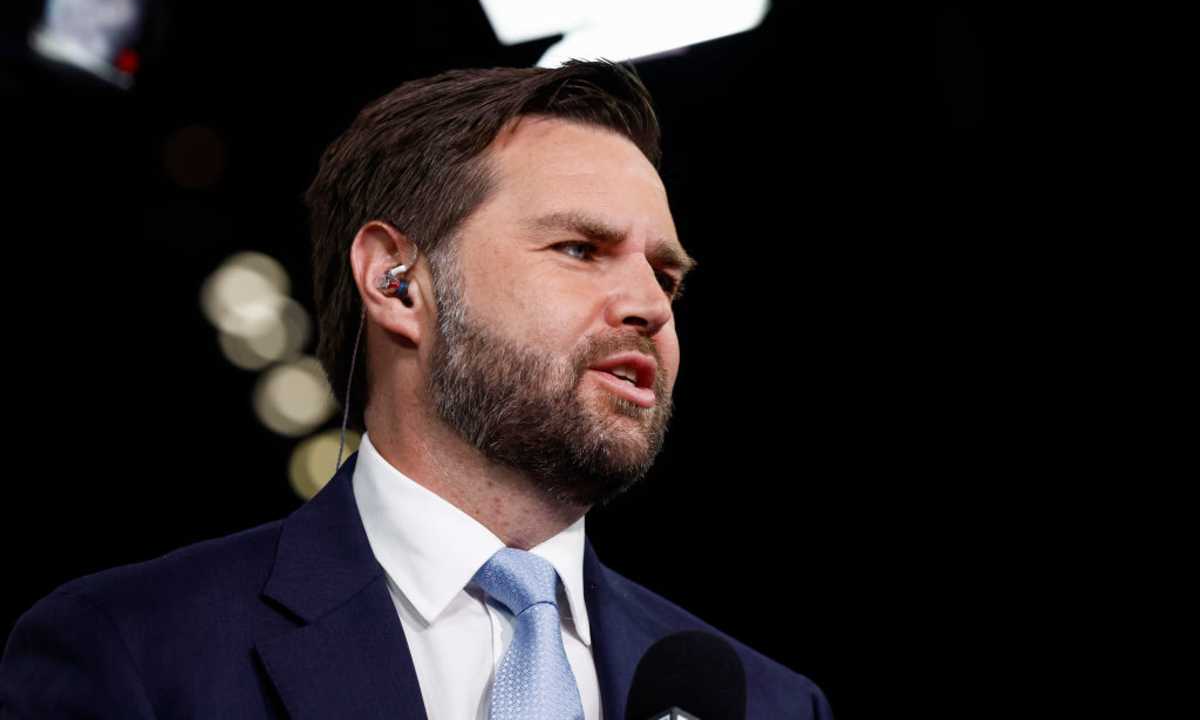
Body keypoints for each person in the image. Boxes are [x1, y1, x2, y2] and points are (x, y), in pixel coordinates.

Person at [0, 60, 832, 719]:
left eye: (667, 277)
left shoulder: (773, 706)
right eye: (581, 249)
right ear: (397, 283)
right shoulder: (134, 652)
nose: (651, 305)